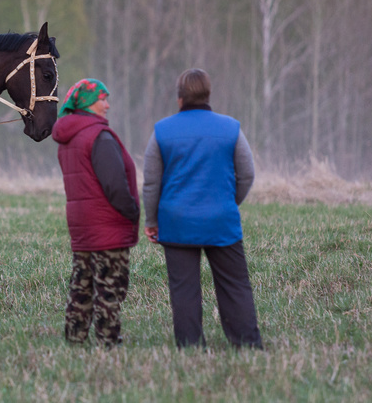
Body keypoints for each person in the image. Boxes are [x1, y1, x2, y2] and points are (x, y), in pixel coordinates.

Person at [142, 68, 262, 349]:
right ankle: (246, 343)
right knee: (235, 286)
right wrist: (228, 204)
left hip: (176, 223)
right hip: (222, 221)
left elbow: (151, 183)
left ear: (179, 98)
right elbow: (247, 175)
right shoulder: (231, 128)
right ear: (208, 94)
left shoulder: (162, 130)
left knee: (184, 290)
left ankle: (191, 347)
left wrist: (151, 219)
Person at [52, 78, 140, 347]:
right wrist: (133, 211)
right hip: (107, 227)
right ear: (89, 103)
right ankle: (107, 341)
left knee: (82, 285)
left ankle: (75, 337)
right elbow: (114, 184)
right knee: (110, 288)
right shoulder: (99, 136)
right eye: (103, 99)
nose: (108, 104)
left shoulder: (69, 138)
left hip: (82, 227)